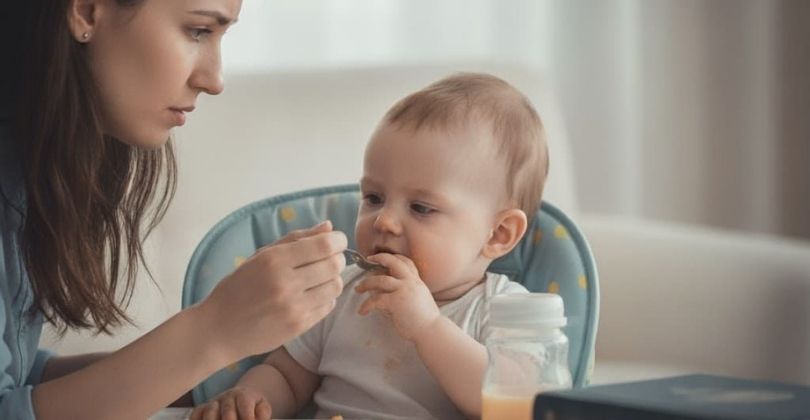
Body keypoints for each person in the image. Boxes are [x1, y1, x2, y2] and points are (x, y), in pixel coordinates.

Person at [0, 1, 348, 419]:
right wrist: (213, 331)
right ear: (88, 12)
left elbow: (18, 377)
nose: (215, 80)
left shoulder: (27, 168)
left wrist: (198, 378)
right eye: (198, 31)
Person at [192, 72, 551, 420]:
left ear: (498, 234)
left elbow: (511, 407)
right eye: (374, 197)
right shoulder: (340, 293)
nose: (384, 221)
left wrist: (426, 326)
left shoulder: (505, 312)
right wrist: (250, 398)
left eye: (421, 208)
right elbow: (287, 376)